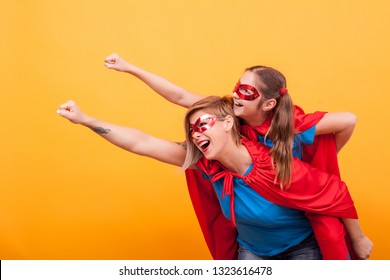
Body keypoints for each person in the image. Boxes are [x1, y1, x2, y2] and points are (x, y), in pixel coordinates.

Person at [102, 53, 373, 259]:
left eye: (245, 91)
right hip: (253, 243)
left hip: (300, 228)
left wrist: (320, 158)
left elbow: (348, 120)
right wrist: (129, 67)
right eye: (237, 86)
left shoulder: (291, 129)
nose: (235, 94)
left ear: (268, 104)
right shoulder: (229, 117)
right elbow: (179, 95)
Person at [57, 96, 362, 260]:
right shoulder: (205, 163)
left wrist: (359, 240)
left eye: (203, 124)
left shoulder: (273, 160)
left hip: (301, 248)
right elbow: (142, 142)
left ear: (229, 122)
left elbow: (334, 192)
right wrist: (86, 120)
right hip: (253, 251)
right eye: (191, 130)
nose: (196, 133)